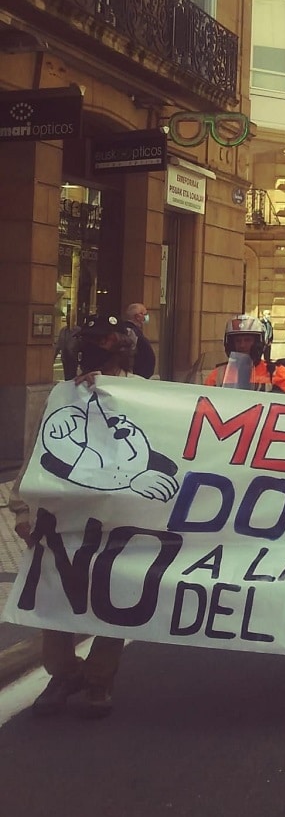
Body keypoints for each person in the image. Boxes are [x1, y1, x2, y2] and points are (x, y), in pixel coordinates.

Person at [13, 312, 146, 718]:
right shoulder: (59, 395)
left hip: (119, 512)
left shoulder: (145, 394)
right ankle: (65, 672)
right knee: (54, 594)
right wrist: (23, 508)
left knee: (113, 594)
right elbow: (36, 452)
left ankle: (98, 681)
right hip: (62, 514)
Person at [204, 316, 285, 394]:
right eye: (238, 341)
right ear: (231, 345)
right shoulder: (218, 374)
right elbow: (201, 403)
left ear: (258, 343)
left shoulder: (275, 372)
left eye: (247, 340)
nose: (242, 345)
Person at [122, 302, 156, 379]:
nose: (146, 317)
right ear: (138, 316)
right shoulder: (131, 331)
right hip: (135, 374)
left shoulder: (133, 330)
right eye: (145, 314)